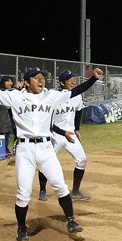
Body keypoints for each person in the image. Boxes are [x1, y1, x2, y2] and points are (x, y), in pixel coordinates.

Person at [0, 61, 103, 241]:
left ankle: (71, 220)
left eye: (42, 77)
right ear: (27, 82)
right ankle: (21, 228)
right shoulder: (15, 97)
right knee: (24, 192)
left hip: (45, 147)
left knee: (60, 185)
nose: (41, 80)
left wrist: (93, 79)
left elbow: (75, 91)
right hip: (25, 148)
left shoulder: (50, 96)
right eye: (37, 78)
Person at [38, 70, 94, 201]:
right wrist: (63, 133)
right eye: (69, 79)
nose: (73, 81)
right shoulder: (54, 96)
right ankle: (42, 190)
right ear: (62, 82)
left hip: (70, 134)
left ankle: (75, 191)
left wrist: (77, 129)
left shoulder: (77, 97)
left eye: (73, 78)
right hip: (55, 135)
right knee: (45, 161)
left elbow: (79, 111)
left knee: (82, 160)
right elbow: (49, 123)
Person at [0, 76, 16, 156]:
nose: (10, 83)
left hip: (9, 117)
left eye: (11, 81)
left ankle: (7, 150)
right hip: (0, 115)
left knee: (8, 134)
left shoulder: (13, 92)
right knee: (1, 134)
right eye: (7, 81)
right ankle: (2, 151)